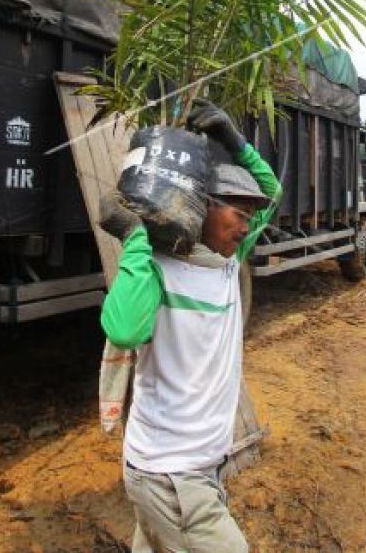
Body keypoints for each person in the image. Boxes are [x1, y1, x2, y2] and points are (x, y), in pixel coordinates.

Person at [98, 99, 281, 553]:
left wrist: (235, 141)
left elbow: (271, 195)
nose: (247, 225)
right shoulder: (155, 269)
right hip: (169, 474)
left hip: (201, 466)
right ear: (203, 208)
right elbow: (123, 331)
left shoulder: (223, 261)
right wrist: (136, 237)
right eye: (238, 213)